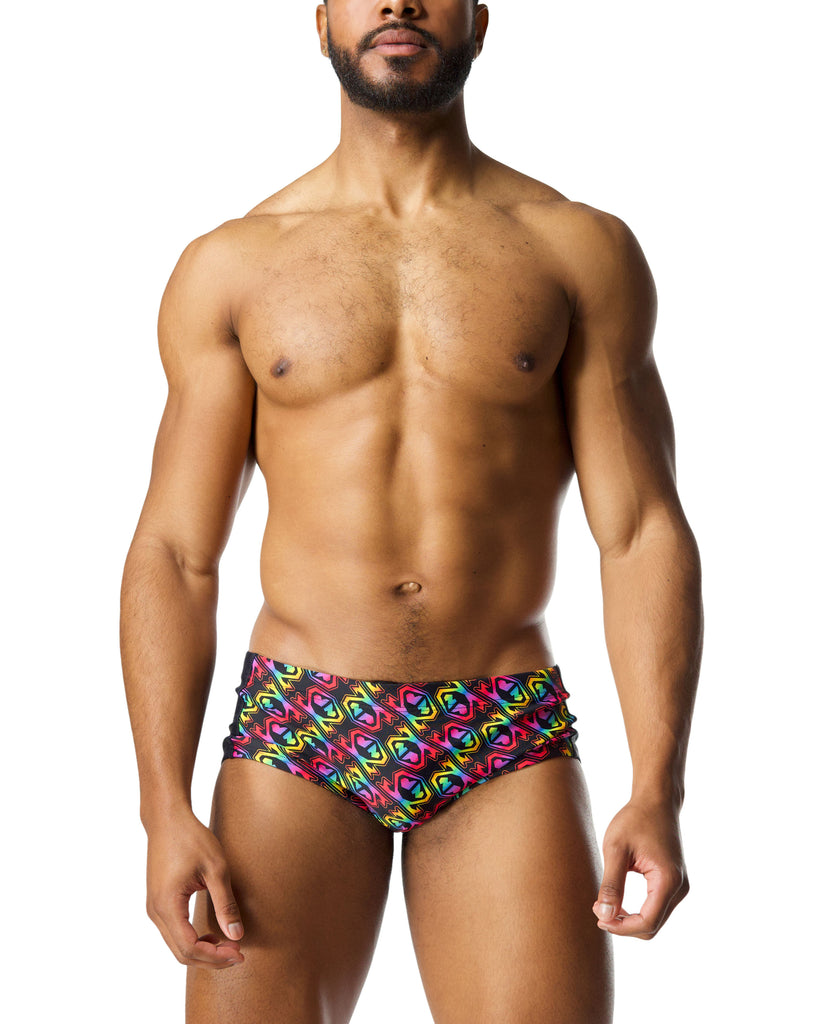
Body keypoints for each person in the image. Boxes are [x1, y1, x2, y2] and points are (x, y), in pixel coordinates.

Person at [120, 2, 703, 1021]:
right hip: (299, 725)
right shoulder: (234, 265)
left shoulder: (575, 249)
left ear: (479, 18)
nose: (396, 2)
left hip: (499, 728)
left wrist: (658, 786)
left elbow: (639, 529)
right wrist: (160, 806)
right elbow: (174, 550)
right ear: (321, 22)